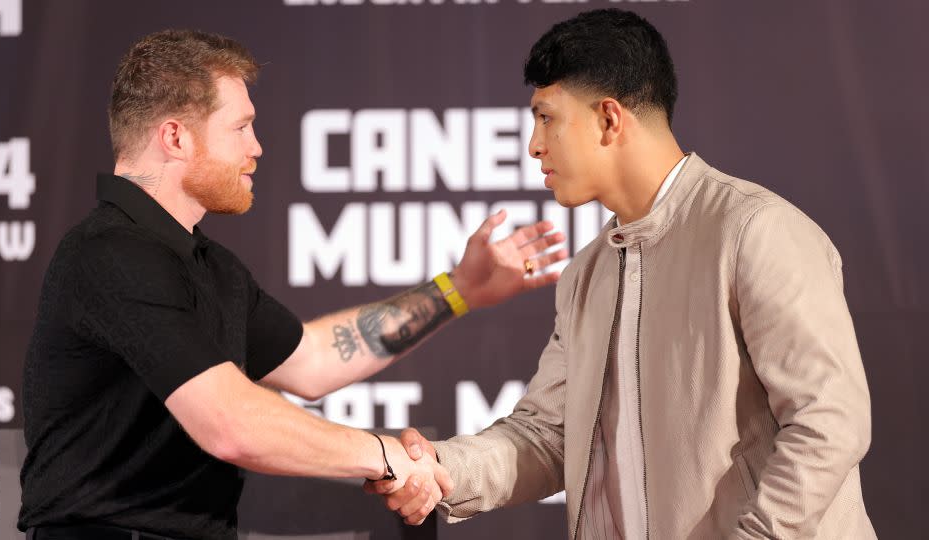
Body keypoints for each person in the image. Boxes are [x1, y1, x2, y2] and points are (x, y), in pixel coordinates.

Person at [19, 29, 567, 540]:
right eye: (240, 128)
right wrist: (384, 454)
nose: (256, 147)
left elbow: (312, 360)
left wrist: (459, 289)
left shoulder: (207, 264)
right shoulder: (111, 253)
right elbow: (230, 422)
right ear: (175, 137)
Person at [371, 8, 876, 539]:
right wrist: (440, 469)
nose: (533, 145)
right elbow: (549, 436)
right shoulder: (587, 274)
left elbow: (828, 421)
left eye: (546, 117)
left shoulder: (755, 230)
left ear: (610, 119)